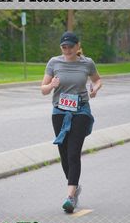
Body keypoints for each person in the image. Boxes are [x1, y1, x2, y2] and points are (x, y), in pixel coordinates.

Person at [41, 32, 102, 213]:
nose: (67, 50)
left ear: (78, 46)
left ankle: (69, 196)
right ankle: (74, 188)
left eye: (70, 46)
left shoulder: (87, 63)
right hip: (59, 112)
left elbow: (98, 79)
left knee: (73, 152)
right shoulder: (54, 63)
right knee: (64, 153)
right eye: (64, 47)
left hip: (81, 111)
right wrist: (51, 85)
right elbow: (43, 90)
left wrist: (95, 89)